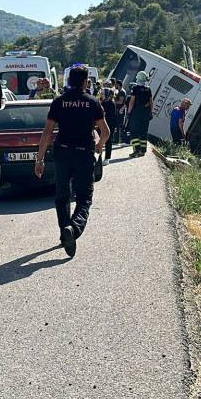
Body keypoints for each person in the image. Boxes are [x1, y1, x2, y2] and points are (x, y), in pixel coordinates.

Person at [34, 66, 110, 258]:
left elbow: (47, 132)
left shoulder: (59, 102)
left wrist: (40, 159)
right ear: (85, 82)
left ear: (68, 81)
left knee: (62, 196)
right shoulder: (92, 102)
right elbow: (106, 132)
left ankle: (64, 231)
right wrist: (100, 145)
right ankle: (73, 229)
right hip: (84, 154)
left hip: (62, 152)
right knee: (84, 197)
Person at [126, 71, 153, 157]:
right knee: (143, 132)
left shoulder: (135, 88)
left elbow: (132, 101)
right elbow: (151, 102)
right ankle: (143, 151)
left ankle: (137, 150)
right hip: (145, 114)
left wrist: (129, 113)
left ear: (138, 78)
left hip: (136, 113)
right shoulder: (148, 89)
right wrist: (150, 113)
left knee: (134, 132)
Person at [100, 87, 119, 163]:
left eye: (103, 93)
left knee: (108, 141)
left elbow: (111, 116)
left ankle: (107, 158)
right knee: (100, 140)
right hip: (102, 124)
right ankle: (99, 157)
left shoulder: (111, 103)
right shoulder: (103, 102)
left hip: (110, 124)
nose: (102, 95)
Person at [112, 79, 127, 144]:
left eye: (115, 84)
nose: (115, 86)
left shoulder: (122, 92)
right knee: (117, 125)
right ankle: (116, 139)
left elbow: (121, 101)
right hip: (118, 110)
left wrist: (113, 102)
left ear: (118, 85)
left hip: (120, 111)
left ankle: (118, 140)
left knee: (119, 125)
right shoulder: (119, 91)